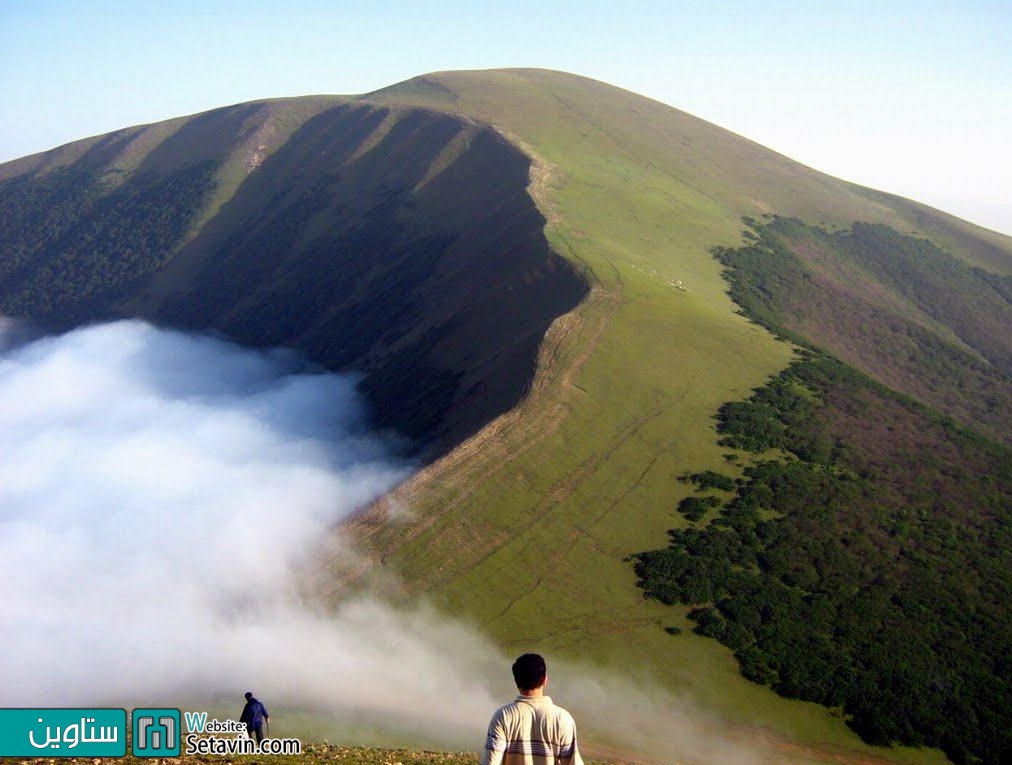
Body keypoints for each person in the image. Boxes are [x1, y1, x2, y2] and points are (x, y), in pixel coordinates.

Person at [480, 653, 584, 765]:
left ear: (516, 682)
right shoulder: (563, 719)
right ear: (545, 679)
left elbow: (490, 762)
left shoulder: (503, 716)